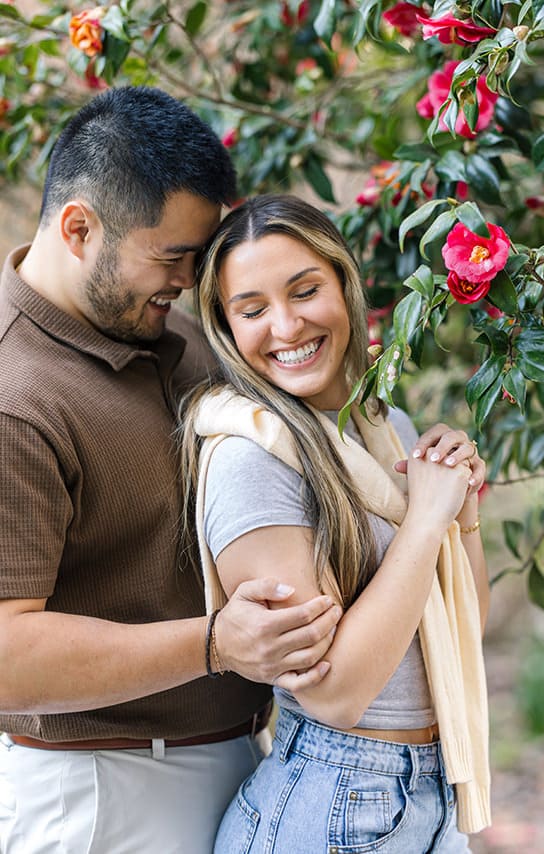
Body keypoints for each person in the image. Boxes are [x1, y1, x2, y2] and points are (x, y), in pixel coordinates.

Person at [0, 87, 341, 852]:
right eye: (172, 256)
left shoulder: (181, 338)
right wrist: (215, 645)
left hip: (240, 762)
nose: (190, 279)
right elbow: (5, 653)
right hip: (103, 796)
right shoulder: (13, 399)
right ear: (79, 228)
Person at [177, 194, 491, 853]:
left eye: (305, 290)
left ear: (345, 286)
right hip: (331, 803)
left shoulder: (383, 428)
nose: (286, 326)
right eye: (253, 309)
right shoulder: (249, 457)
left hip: (430, 795)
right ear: (226, 327)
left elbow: (462, 628)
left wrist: (461, 518)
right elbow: (335, 691)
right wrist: (427, 519)